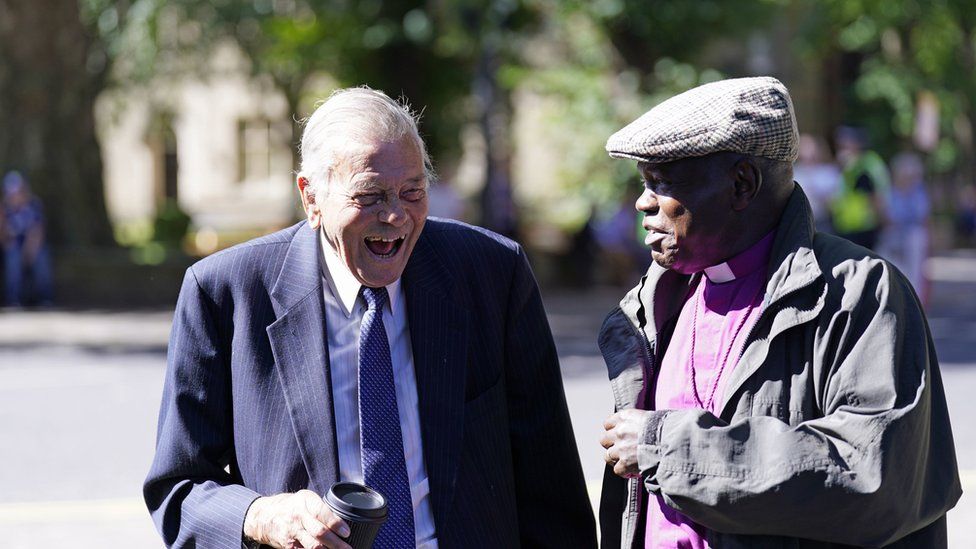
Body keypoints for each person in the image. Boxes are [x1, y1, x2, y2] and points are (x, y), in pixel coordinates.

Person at [144, 88, 596, 549]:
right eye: (370, 196)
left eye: (413, 192)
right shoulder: (225, 292)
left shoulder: (492, 273)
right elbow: (178, 489)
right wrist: (262, 516)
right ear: (311, 198)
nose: (396, 215)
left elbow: (550, 481)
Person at [597, 77, 961, 548]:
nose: (643, 202)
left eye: (662, 183)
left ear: (741, 183)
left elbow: (870, 476)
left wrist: (667, 447)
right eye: (644, 183)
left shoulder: (860, 292)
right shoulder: (655, 302)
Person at [879, 152, 930, 303]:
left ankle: (914, 303)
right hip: (893, 237)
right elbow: (886, 216)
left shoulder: (918, 192)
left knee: (914, 271)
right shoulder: (888, 191)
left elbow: (922, 216)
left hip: (912, 236)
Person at [830, 126, 890, 249]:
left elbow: (874, 195)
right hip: (846, 226)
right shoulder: (850, 164)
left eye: (844, 144)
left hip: (864, 228)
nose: (840, 149)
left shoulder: (864, 164)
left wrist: (882, 219)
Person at [2, 171, 53, 307]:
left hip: (33, 245)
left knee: (41, 260)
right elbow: (4, 237)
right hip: (13, 246)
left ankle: (45, 298)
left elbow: (38, 230)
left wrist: (29, 250)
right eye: (11, 193)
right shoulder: (4, 210)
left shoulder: (34, 205)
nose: (15, 196)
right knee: (13, 260)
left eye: (18, 192)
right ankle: (13, 299)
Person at [791, 133, 840, 233]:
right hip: (800, 222)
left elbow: (835, 201)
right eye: (803, 146)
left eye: (809, 146)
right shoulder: (794, 172)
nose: (807, 151)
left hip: (822, 221)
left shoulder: (828, 172)